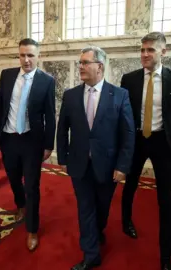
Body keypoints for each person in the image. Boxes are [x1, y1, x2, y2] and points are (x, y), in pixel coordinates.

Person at [57, 46, 135, 270]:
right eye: (80, 63)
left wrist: (123, 166)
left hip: (108, 166)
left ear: (99, 67)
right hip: (79, 164)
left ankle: (97, 231)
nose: (80, 67)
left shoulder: (119, 95)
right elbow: (63, 129)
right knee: (85, 208)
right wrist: (63, 157)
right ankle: (91, 254)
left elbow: (128, 133)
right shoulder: (70, 95)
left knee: (102, 207)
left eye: (85, 63)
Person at [120, 32, 171, 270]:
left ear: (163, 52)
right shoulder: (129, 79)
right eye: (142, 50)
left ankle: (166, 256)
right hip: (136, 141)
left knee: (165, 199)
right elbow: (124, 115)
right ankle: (126, 220)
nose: (145, 54)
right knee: (130, 185)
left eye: (150, 50)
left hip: (162, 142)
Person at [0, 38, 56, 251]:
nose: (26, 60)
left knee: (32, 185)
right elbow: (0, 105)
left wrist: (49, 145)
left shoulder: (46, 80)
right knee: (12, 177)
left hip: (32, 141)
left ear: (38, 56)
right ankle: (20, 205)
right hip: (9, 138)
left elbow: (50, 115)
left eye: (30, 55)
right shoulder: (7, 75)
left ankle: (32, 229)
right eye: (22, 55)